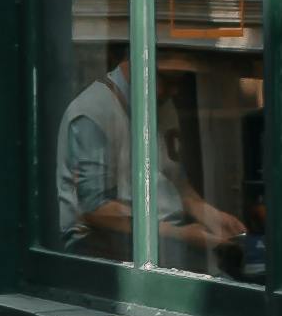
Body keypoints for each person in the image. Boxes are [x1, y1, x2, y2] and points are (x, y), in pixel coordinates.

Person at [52, 57, 246, 268]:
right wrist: (180, 235)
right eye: (169, 81)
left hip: (161, 234)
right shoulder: (93, 112)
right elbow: (94, 210)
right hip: (100, 245)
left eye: (179, 83)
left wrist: (209, 214)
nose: (175, 91)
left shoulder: (162, 105)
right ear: (137, 67)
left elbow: (176, 181)